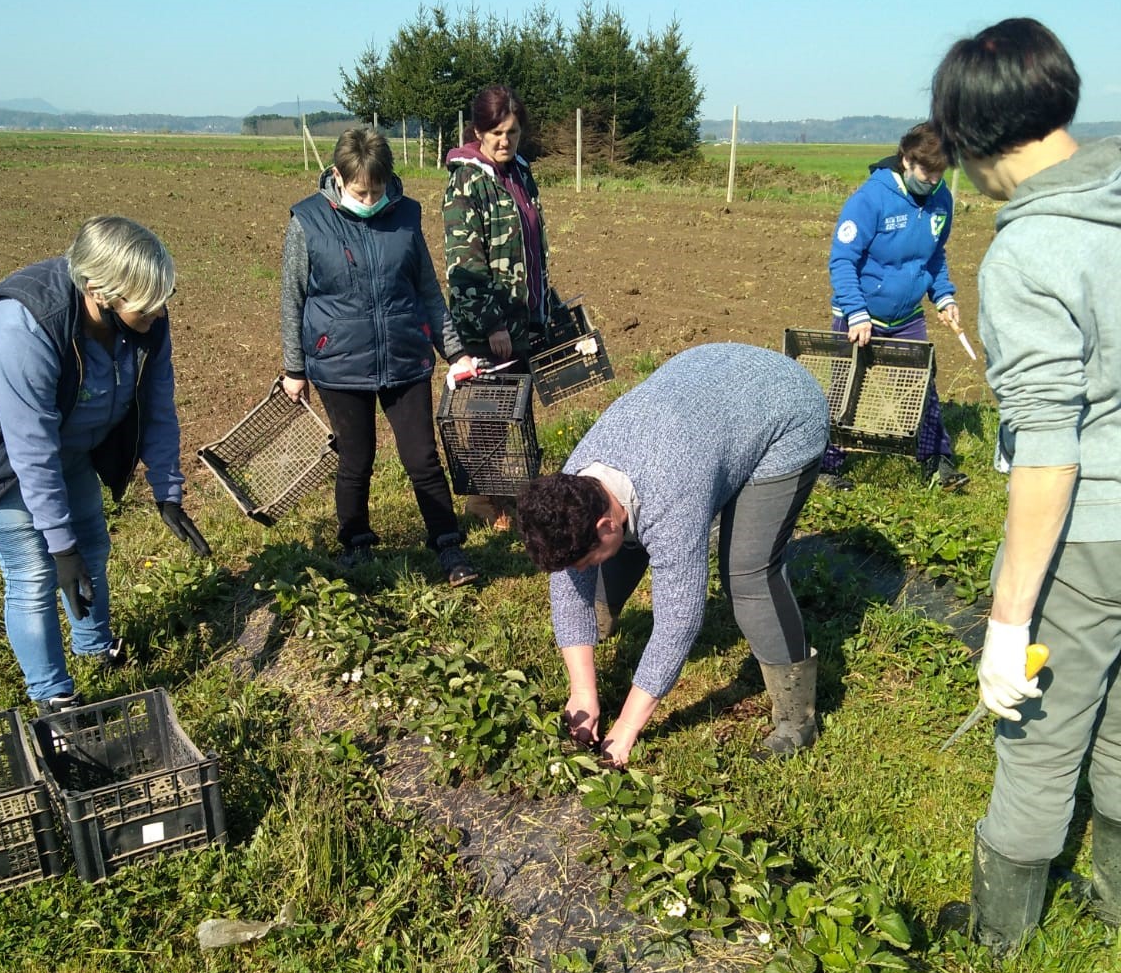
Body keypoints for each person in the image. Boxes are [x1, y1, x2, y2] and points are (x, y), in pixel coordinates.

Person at [930, 18, 1121, 949]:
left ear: (970, 146)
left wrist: (1008, 628)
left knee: (1040, 727)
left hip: (1094, 533)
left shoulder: (1027, 252)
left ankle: (997, 934)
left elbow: (1049, 450)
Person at [0, 215, 210, 712]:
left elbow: (157, 403)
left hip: (67, 445)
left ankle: (96, 646)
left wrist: (167, 491)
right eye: (147, 305)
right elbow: (29, 446)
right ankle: (56, 701)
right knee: (35, 571)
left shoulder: (144, 321)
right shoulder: (27, 321)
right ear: (99, 291)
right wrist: (60, 547)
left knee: (93, 545)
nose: (160, 314)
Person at [515, 342, 830, 766]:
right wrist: (583, 692)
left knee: (748, 572)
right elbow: (569, 582)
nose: (580, 572)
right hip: (707, 391)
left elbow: (678, 621)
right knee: (618, 546)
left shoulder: (670, 496)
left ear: (605, 523)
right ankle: (596, 631)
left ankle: (797, 720)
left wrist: (626, 729)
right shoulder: (575, 483)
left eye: (584, 561)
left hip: (783, 408)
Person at [280, 126, 476, 586]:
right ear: (337, 177)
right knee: (356, 459)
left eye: (377, 189)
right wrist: (294, 368)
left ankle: (449, 546)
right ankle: (356, 545)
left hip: (405, 357)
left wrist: (455, 352)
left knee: (422, 458)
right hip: (339, 364)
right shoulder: (308, 221)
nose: (368, 199)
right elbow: (292, 298)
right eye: (359, 190)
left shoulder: (406, 216)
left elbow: (428, 290)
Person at [823, 122, 969, 491]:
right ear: (906, 160)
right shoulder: (870, 199)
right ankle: (826, 465)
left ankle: (937, 462)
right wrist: (856, 312)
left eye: (940, 174)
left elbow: (934, 257)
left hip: (906, 317)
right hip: (859, 315)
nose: (933, 181)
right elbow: (842, 259)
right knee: (845, 390)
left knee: (922, 388)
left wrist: (944, 296)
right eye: (926, 172)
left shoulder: (941, 201)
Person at [443, 85, 553, 530]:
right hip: (488, 322)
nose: (504, 141)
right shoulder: (466, 182)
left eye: (511, 131)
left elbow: (531, 246)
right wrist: (491, 322)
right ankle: (481, 501)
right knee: (489, 410)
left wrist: (545, 301)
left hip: (521, 317)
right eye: (495, 133)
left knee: (516, 407)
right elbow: (463, 262)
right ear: (478, 132)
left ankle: (510, 489)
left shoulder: (521, 173)